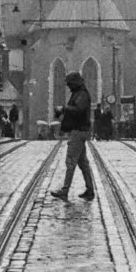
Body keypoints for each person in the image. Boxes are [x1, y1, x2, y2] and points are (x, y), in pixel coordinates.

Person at [50, 71, 95, 201]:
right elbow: (73, 111)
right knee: (83, 163)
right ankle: (90, 190)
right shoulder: (78, 93)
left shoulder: (81, 94)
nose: (68, 86)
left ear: (75, 83)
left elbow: (78, 110)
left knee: (71, 161)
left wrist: (64, 109)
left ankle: (65, 190)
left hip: (78, 131)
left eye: (69, 84)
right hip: (79, 130)